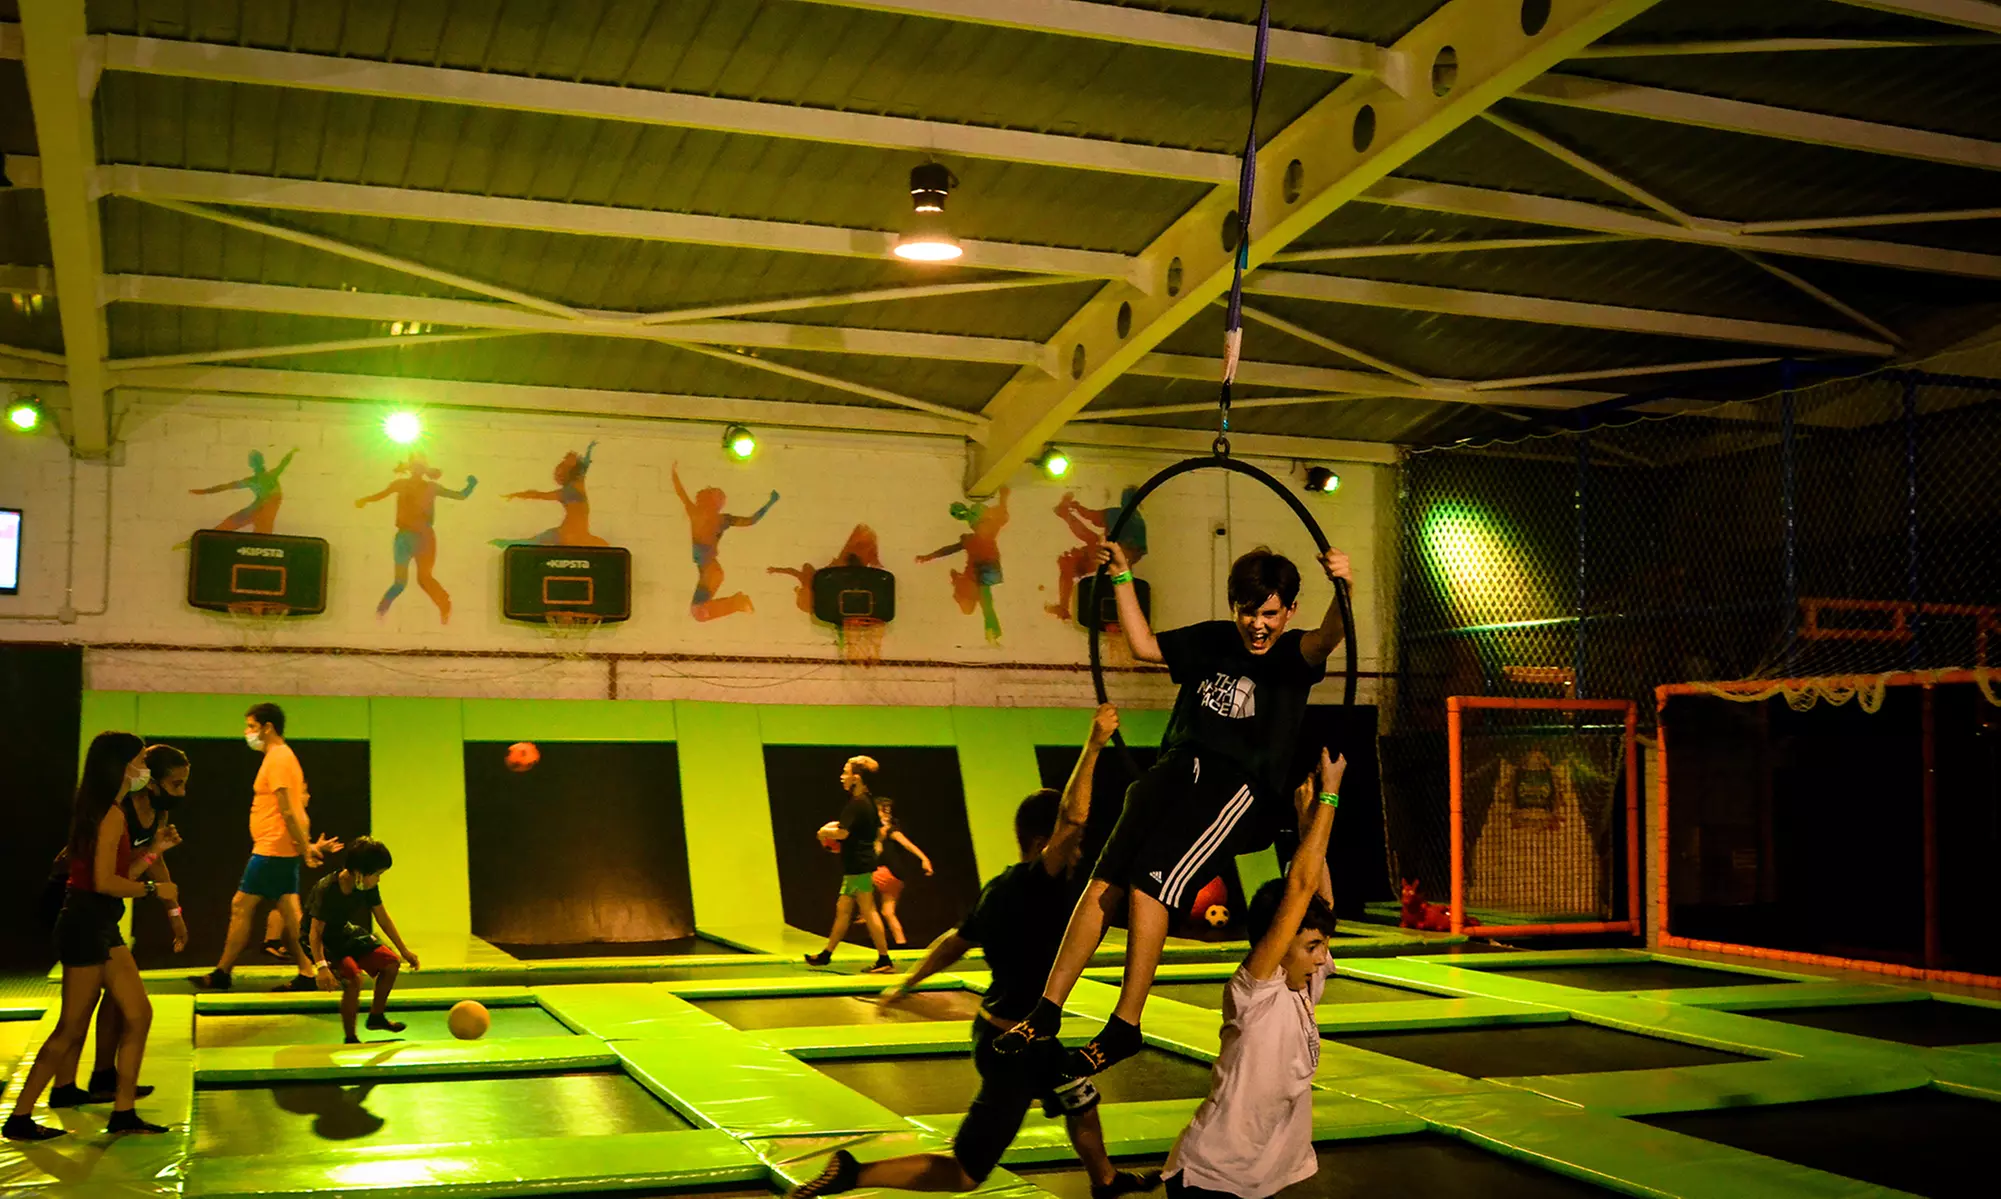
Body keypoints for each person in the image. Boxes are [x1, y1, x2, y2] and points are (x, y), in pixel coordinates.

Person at [997, 543, 1352, 1077]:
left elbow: (1332, 634)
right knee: (1103, 883)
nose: (1258, 625)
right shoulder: (1213, 638)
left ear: (1289, 613)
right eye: (1248, 613)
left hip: (1235, 786)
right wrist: (1122, 578)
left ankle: (1125, 1023)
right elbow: (1141, 645)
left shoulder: (1294, 655)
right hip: (1173, 769)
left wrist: (1342, 585)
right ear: (1234, 608)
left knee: (1151, 885)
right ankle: (1047, 1009)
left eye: (1270, 614)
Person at [789, 705, 1155, 1199]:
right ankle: (856, 1173)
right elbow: (1072, 819)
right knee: (965, 1173)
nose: (1080, 848)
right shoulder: (1035, 883)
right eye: (1073, 842)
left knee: (1078, 1095)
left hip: (1019, 1037)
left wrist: (904, 983)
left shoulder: (1002, 886)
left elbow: (952, 943)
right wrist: (1092, 745)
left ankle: (1105, 1180)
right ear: (1045, 842)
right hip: (1014, 1052)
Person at [1160, 750, 1345, 1199]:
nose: (1323, 958)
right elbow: (1300, 890)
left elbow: (1319, 900)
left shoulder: (1305, 985)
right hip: (1210, 1177)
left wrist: (1307, 824)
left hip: (1257, 1179)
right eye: (1312, 947)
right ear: (1278, 947)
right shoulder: (1256, 991)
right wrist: (1330, 796)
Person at [5, 733, 178, 1140]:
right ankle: (19, 1116)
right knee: (70, 1026)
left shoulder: (107, 810)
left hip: (100, 923)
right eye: (139, 761)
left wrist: (152, 854)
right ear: (120, 767)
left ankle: (123, 1109)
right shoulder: (110, 814)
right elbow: (103, 881)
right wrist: (154, 890)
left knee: (139, 1013)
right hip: (85, 924)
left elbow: (118, 873)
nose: (144, 770)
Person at [48, 745, 192, 1102]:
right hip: (80, 906)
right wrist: (156, 886)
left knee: (120, 1001)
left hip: (104, 910)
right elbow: (117, 875)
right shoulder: (119, 812)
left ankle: (103, 1077)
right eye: (176, 784)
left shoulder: (155, 813)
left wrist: (175, 915)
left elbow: (153, 863)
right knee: (82, 1009)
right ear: (151, 781)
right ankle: (60, 1089)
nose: (182, 793)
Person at [192, 704, 341, 993]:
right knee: (290, 910)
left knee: (241, 905)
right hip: (277, 845)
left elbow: (287, 809)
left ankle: (223, 973)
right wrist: (305, 845)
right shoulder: (279, 758)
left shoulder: (279, 759)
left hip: (272, 847)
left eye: (251, 726)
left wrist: (303, 847)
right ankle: (310, 971)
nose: (247, 732)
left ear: (267, 727)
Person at [307, 837, 421, 1044]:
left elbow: (383, 918)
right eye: (377, 875)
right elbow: (315, 933)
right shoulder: (327, 889)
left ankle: (376, 1017)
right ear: (359, 873)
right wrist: (321, 966)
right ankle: (351, 1037)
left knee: (391, 963)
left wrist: (404, 951)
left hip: (343, 931)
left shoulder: (366, 886)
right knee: (353, 980)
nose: (378, 879)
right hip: (321, 940)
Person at [356, 454, 478, 623]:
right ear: (410, 468)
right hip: (405, 537)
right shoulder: (402, 485)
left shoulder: (431, 487)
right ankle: (381, 611)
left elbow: (460, 495)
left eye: (420, 467)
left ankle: (444, 605)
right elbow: (381, 494)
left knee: (423, 578)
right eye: (415, 466)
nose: (417, 470)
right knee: (401, 582)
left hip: (424, 537)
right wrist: (365, 500)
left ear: (423, 470)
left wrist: (471, 485)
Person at [803, 755, 894, 974]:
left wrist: (823, 832)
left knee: (868, 910)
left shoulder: (857, 804)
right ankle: (826, 954)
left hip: (859, 867)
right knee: (843, 911)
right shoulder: (868, 802)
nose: (841, 776)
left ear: (857, 777)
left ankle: (884, 959)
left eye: (846, 772)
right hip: (856, 866)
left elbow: (843, 832)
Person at [673, 464, 779, 621]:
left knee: (699, 612)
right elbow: (751, 520)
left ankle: (738, 603)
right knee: (699, 611)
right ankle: (737, 602)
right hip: (709, 570)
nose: (722, 503)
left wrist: (673, 473)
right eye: (720, 499)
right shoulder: (716, 518)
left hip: (711, 570)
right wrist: (770, 503)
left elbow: (681, 493)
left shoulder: (701, 514)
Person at [917, 490, 1009, 643]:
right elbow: (950, 549)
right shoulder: (971, 539)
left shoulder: (987, 532)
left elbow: (1002, 515)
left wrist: (1004, 497)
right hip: (977, 571)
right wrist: (929, 557)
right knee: (985, 602)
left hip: (984, 570)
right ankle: (992, 632)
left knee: (986, 602)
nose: (982, 528)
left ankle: (992, 632)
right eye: (979, 525)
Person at [1048, 487, 1146, 622]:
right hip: (1121, 557)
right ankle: (1064, 606)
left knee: (1091, 542)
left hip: (1119, 555)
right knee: (1075, 558)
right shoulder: (1136, 520)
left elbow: (1091, 516)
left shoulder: (1118, 514)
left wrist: (1077, 508)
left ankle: (1064, 513)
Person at [493, 442, 609, 547]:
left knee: (535, 541)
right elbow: (538, 495)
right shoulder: (573, 487)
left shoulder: (574, 485)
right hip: (569, 533)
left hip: (571, 533)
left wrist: (590, 449)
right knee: (535, 541)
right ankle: (505, 543)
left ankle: (505, 543)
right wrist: (589, 449)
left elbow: (584, 465)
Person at [871, 795, 933, 949]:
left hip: (890, 872)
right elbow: (877, 852)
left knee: (861, 875)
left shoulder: (891, 830)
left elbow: (907, 845)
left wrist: (924, 859)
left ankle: (862, 911)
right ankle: (901, 943)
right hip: (897, 879)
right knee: (887, 912)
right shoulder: (881, 832)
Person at [190, 447, 298, 534]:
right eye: (253, 461)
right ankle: (209, 537)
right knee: (235, 520)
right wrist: (204, 491)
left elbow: (284, 463)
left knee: (259, 527)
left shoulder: (271, 475)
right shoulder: (252, 481)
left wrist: (293, 452)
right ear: (251, 464)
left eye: (256, 460)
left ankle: (212, 536)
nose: (255, 463)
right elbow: (226, 486)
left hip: (265, 508)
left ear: (261, 462)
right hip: (259, 506)